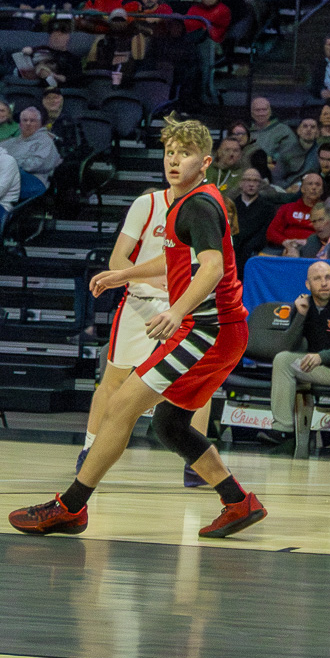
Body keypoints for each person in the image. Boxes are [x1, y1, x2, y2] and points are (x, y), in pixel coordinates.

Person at [12, 118, 265, 538]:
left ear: (203, 163)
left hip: (211, 330)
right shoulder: (183, 202)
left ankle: (70, 507)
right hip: (216, 330)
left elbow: (213, 267)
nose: (173, 160)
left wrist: (176, 310)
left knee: (122, 405)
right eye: (169, 152)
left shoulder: (200, 204)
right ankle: (239, 503)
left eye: (183, 153)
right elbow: (175, 262)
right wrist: (122, 275)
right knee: (168, 425)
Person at [79, 184, 212, 485]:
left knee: (200, 385)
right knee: (113, 381)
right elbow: (116, 262)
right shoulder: (146, 205)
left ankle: (197, 464)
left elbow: (207, 266)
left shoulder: (201, 210)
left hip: (185, 304)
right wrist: (154, 283)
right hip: (140, 305)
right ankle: (89, 450)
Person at [271, 260, 330, 456]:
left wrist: (321, 357)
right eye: (317, 279)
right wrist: (300, 315)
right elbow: (286, 346)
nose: (324, 283)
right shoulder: (303, 305)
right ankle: (283, 430)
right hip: (321, 370)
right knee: (282, 359)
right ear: (308, 284)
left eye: (328, 278)